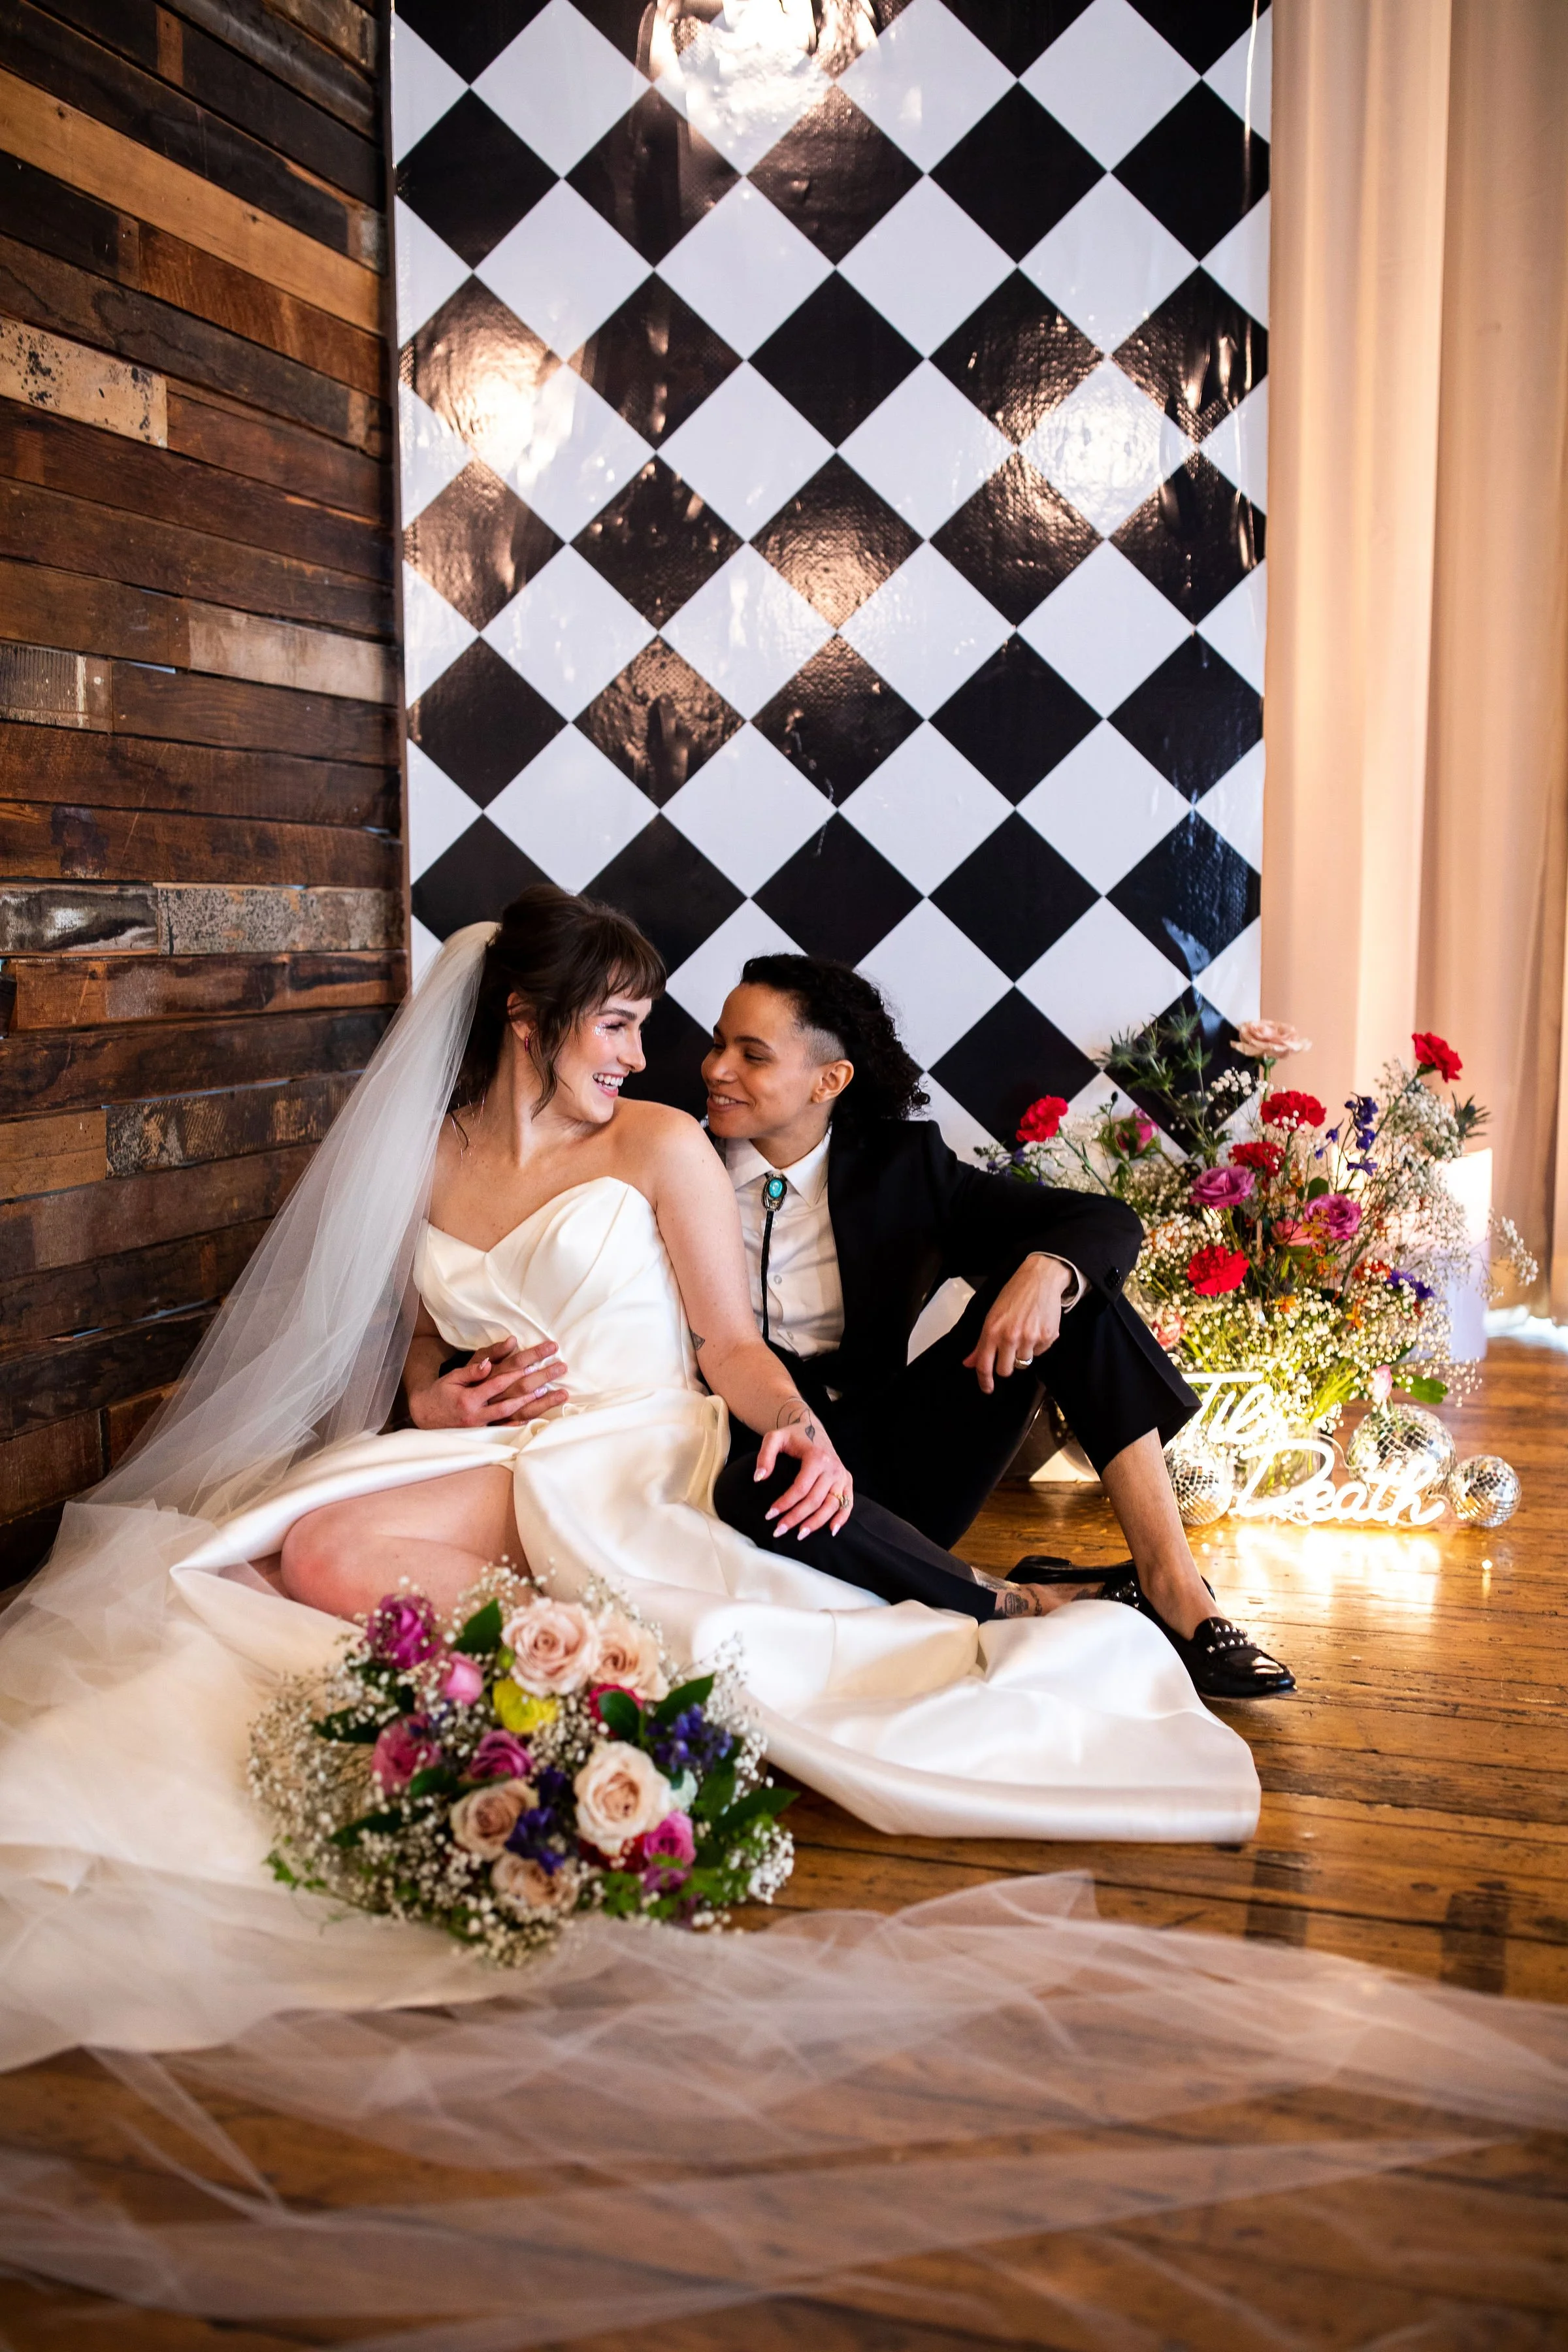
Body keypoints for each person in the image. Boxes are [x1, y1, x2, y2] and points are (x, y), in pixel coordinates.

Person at [702, 956, 1294, 1701]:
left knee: (1079, 1294)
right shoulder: (677, 1164)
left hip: (897, 1468)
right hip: (772, 1473)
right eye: (717, 1043)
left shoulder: (903, 1170)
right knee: (751, 1492)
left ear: (831, 1082)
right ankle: (1029, 1600)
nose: (717, 1069)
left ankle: (1176, 1588)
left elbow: (1102, 1221)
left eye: (751, 1055)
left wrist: (1046, 1271)